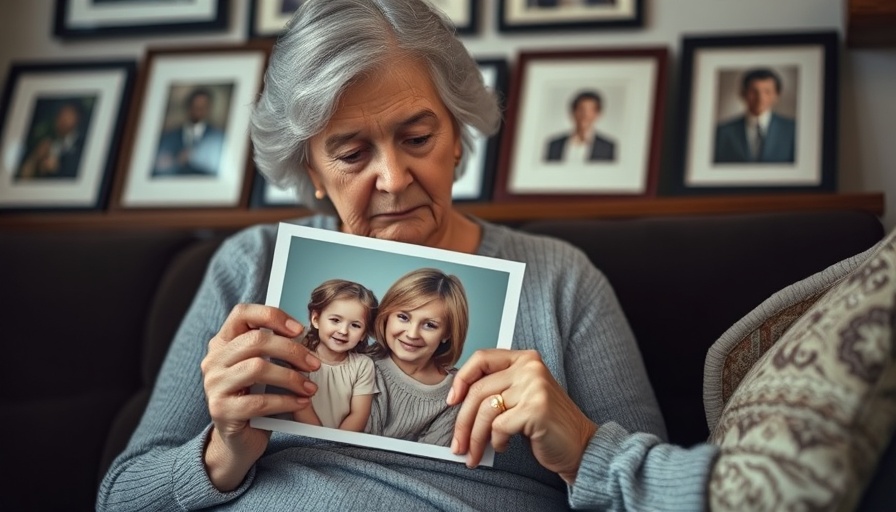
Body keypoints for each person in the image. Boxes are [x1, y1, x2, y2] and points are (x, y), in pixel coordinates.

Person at [97, 1, 718, 510]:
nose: (393, 178)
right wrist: (223, 451)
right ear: (309, 168)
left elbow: (653, 494)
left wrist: (582, 446)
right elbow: (121, 498)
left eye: (417, 138)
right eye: (350, 153)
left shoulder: (560, 279)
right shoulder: (250, 264)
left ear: (456, 136)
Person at [365, 268, 468, 446]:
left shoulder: (457, 391)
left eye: (429, 325)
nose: (412, 334)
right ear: (387, 316)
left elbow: (431, 461)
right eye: (403, 317)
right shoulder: (359, 363)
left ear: (447, 334)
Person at [290, 279, 378, 431]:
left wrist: (336, 442)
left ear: (363, 334)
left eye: (355, 325)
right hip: (304, 435)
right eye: (335, 320)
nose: (343, 331)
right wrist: (318, 439)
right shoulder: (302, 355)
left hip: (342, 442)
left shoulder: (363, 365)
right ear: (316, 319)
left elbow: (359, 414)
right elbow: (300, 405)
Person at [714, 67, 796, 164]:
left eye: (767, 92)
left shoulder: (792, 130)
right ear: (743, 94)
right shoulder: (722, 132)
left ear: (777, 96)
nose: (760, 98)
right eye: (754, 92)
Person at [152, 87, 226, 176]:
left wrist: (195, 158)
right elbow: (158, 167)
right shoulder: (169, 136)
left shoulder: (218, 137)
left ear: (208, 109)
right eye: (195, 106)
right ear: (188, 107)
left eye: (203, 106)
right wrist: (176, 160)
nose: (199, 110)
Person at [17, 101, 86, 179]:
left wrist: (57, 170)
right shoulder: (45, 142)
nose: (63, 119)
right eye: (60, 115)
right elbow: (23, 177)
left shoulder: (83, 145)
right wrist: (35, 157)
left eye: (68, 115)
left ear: (78, 118)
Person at [545, 90, 615, 162]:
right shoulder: (554, 145)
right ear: (572, 113)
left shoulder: (608, 147)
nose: (585, 115)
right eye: (581, 109)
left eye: (590, 110)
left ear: (598, 114)